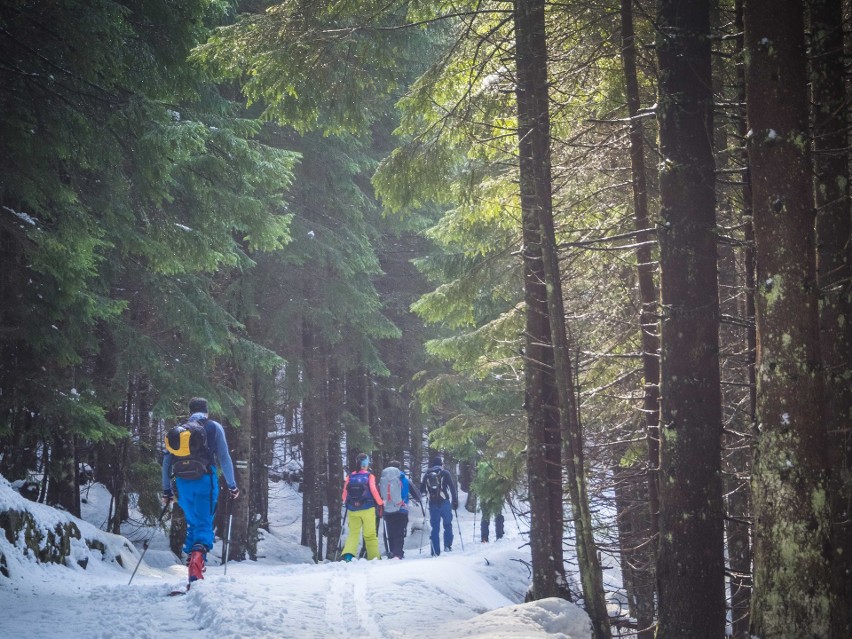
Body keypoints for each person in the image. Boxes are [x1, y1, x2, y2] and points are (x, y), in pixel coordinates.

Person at [162, 397, 239, 582]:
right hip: (205, 479)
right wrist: (232, 485)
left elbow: (166, 462)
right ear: (206, 411)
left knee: (193, 523)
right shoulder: (213, 427)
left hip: (182, 482)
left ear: (190, 411)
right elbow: (224, 458)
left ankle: (193, 563)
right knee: (204, 522)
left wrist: (167, 490)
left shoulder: (179, 431)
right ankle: (196, 565)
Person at [341, 453, 384, 561]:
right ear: (366, 463)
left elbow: (344, 494)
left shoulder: (350, 476)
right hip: (367, 508)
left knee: (353, 533)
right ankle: (374, 557)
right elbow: (373, 490)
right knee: (370, 535)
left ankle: (348, 556)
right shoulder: (369, 476)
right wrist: (380, 502)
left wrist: (347, 502)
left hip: (352, 510)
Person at [379, 460, 422, 559]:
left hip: (388, 510)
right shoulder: (404, 479)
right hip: (401, 509)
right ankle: (397, 553)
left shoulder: (384, 480)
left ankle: (391, 552)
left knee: (391, 532)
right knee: (399, 532)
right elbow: (417, 495)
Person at [420, 455, 458, 556]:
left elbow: (422, 490)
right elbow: (452, 487)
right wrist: (455, 501)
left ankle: (435, 551)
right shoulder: (445, 473)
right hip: (444, 502)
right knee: (447, 524)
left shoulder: (427, 474)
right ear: (441, 464)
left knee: (435, 527)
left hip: (433, 504)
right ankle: (447, 546)